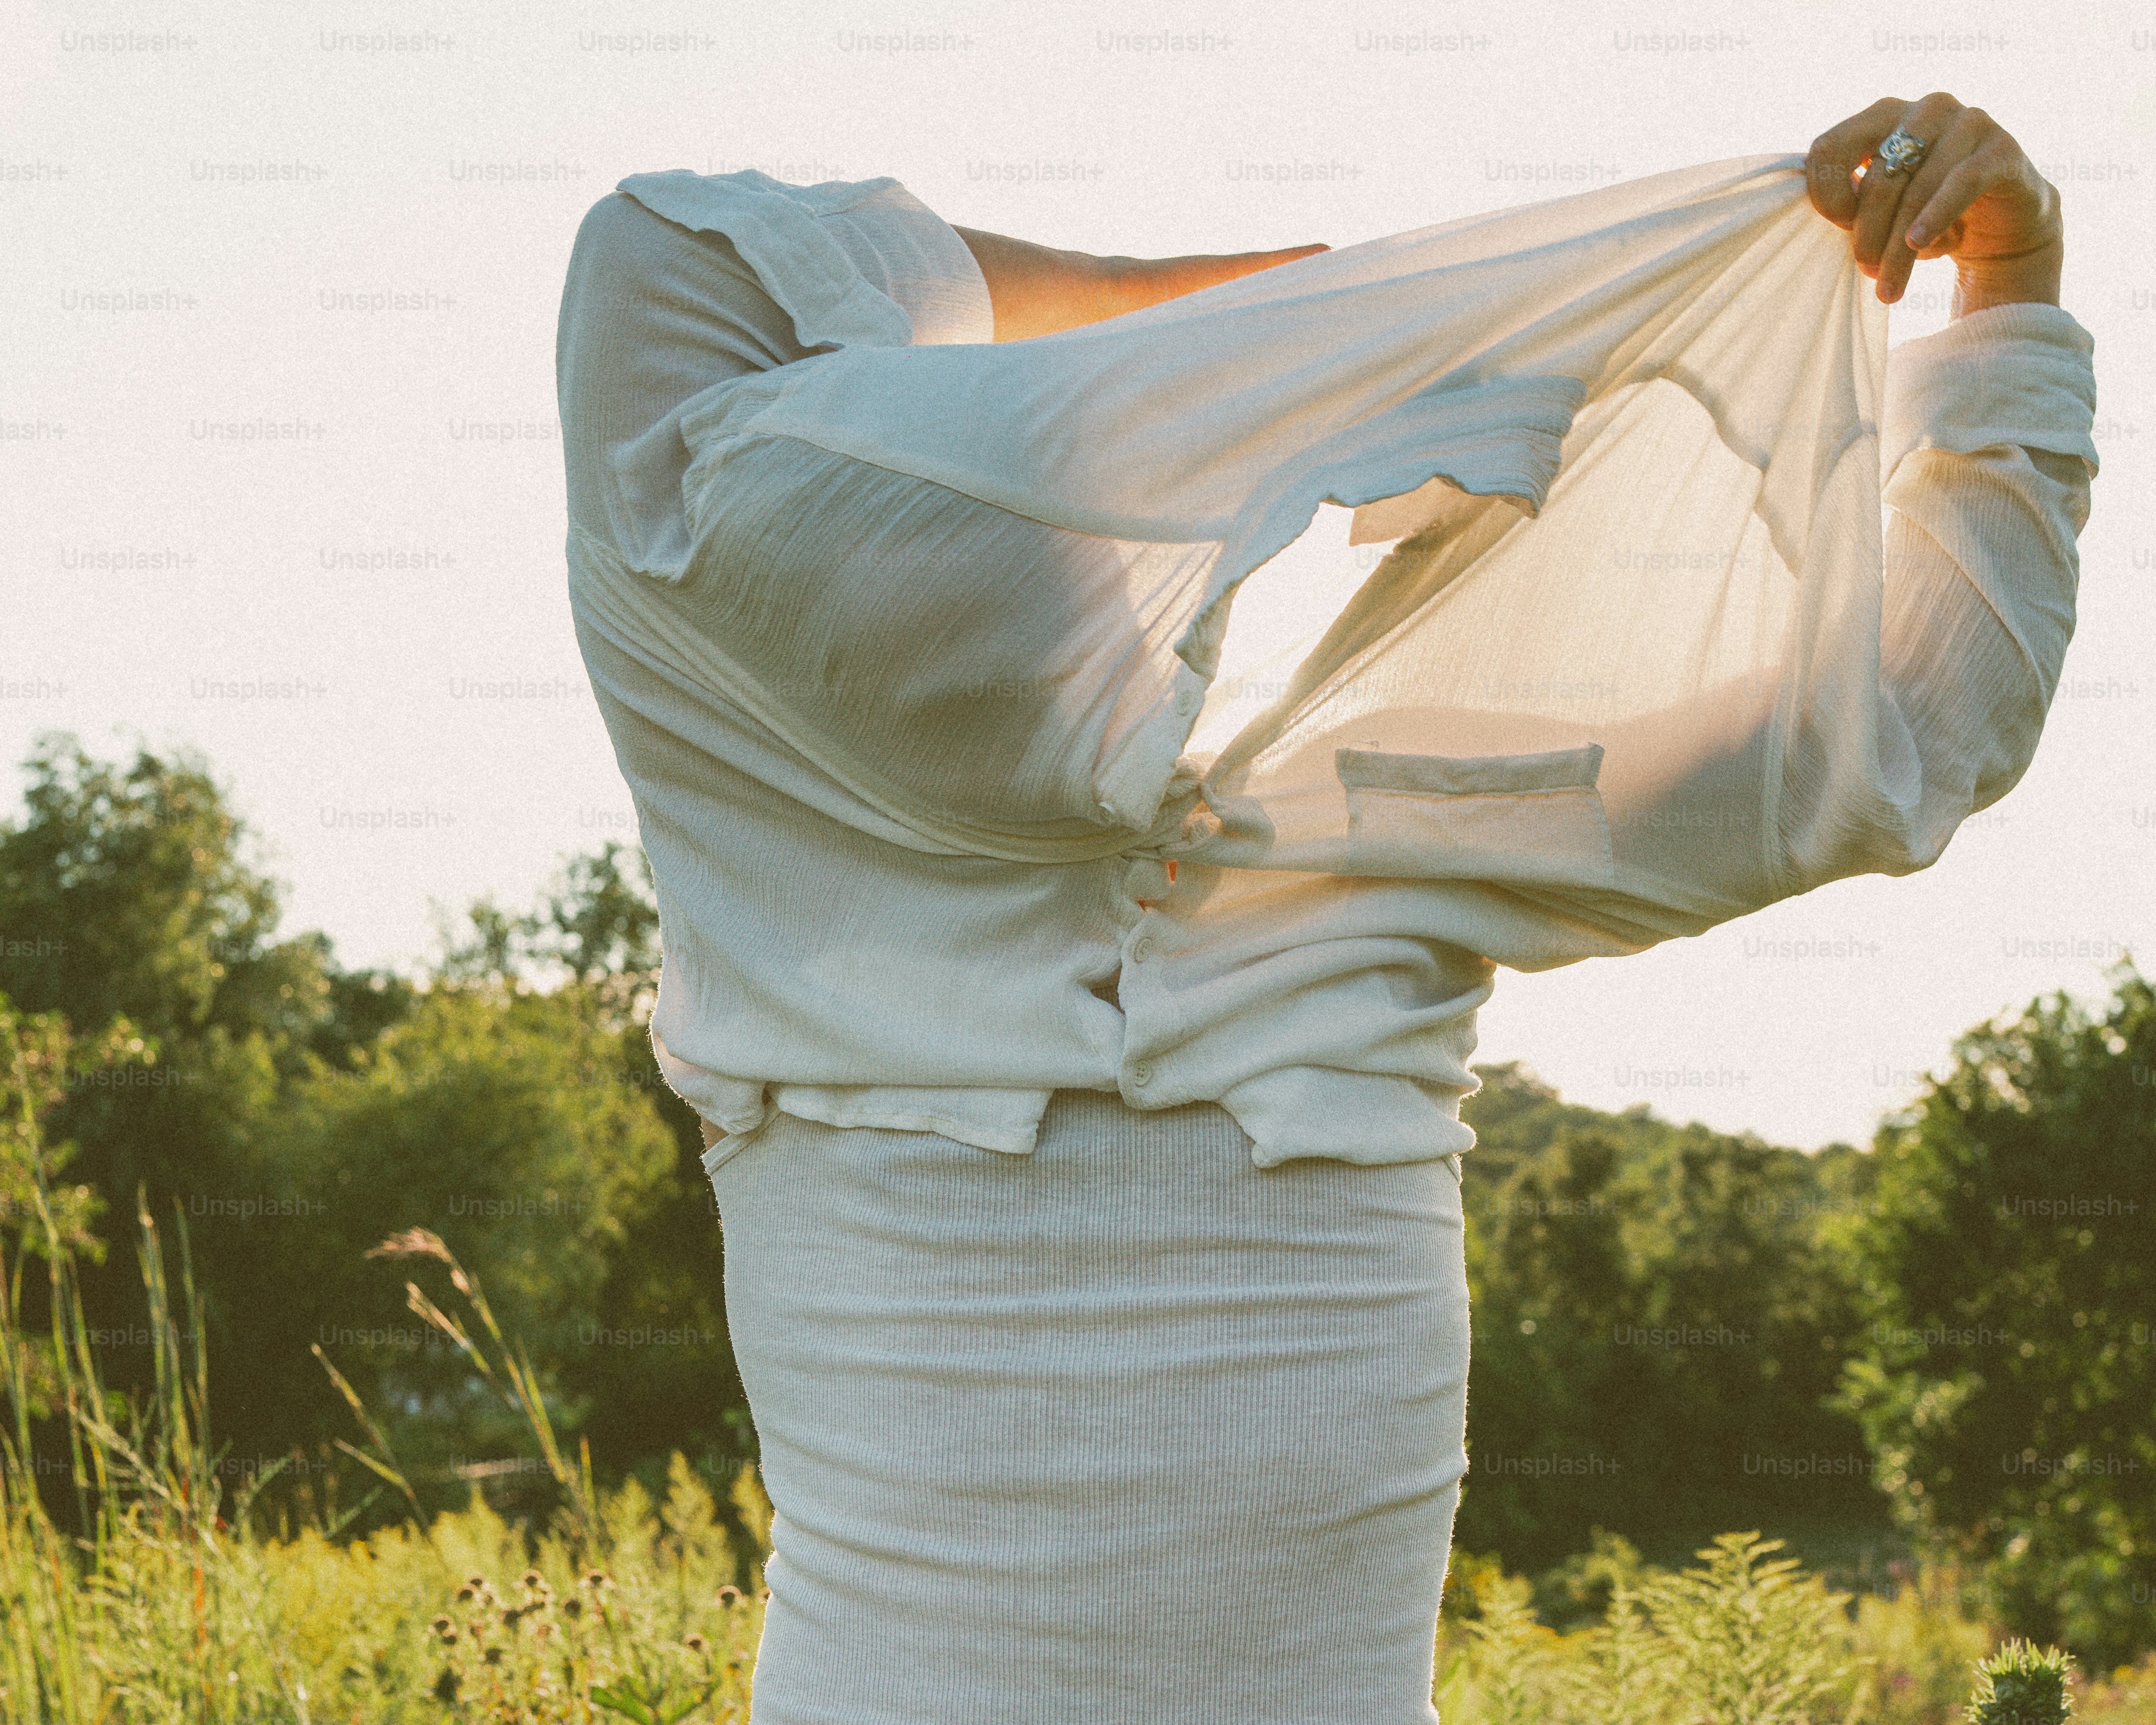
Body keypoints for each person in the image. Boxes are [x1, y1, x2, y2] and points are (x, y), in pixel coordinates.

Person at [555, 93, 2095, 1725]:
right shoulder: (1404, 812)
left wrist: (1189, 309)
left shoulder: (753, 784)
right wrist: (2016, 279)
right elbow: (1927, 721)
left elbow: (667, 254)